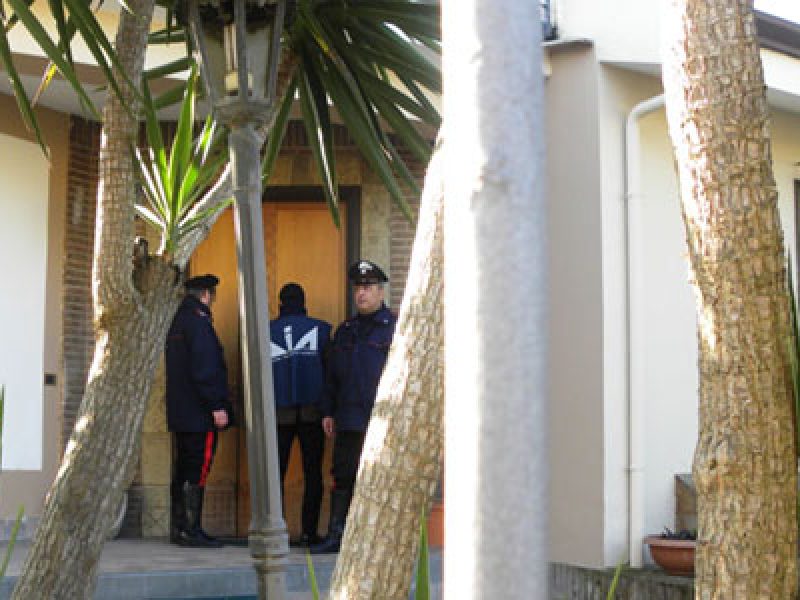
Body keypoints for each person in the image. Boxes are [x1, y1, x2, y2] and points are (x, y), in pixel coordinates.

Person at [310, 260, 397, 554]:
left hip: (380, 419)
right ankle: (338, 535)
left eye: (368, 287)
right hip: (348, 418)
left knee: (378, 478)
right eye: (358, 288)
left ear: (380, 292)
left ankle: (375, 541)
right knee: (343, 475)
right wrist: (327, 411)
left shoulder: (394, 328)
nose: (361, 293)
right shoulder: (345, 331)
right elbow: (331, 377)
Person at [165, 273, 232, 548]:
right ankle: (191, 530)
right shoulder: (199, 323)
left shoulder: (178, 321)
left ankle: (180, 528)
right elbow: (205, 368)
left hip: (181, 413)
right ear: (206, 295)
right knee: (197, 470)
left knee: (182, 469)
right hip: (199, 414)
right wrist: (216, 405)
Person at [270, 283, 332, 547]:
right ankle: (309, 532)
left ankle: (275, 532)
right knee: (313, 474)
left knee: (275, 475)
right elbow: (330, 374)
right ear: (303, 302)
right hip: (312, 414)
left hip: (278, 415)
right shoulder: (321, 330)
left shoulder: (267, 331)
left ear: (280, 303)